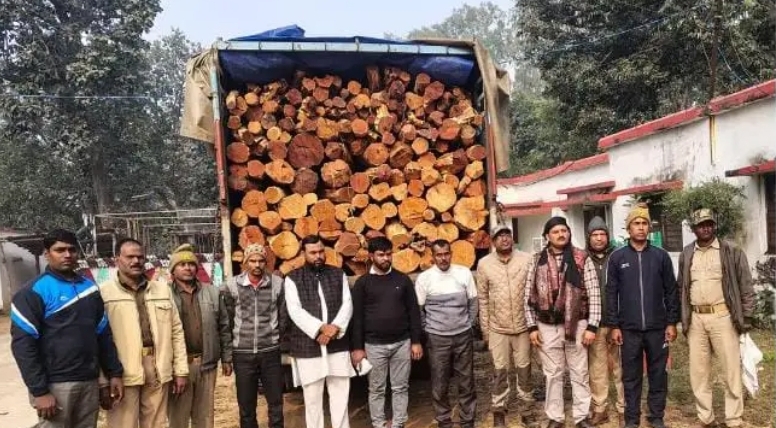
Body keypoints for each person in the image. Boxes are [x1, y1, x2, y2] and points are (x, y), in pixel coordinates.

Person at [11, 229, 123, 428]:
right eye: (60, 250)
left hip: (89, 381)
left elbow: (103, 335)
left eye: (72, 250)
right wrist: (40, 391)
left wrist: (113, 373)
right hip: (55, 385)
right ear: (47, 254)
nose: (67, 255)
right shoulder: (33, 292)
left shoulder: (89, 288)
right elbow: (23, 346)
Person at [99, 238, 189, 428]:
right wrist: (104, 379)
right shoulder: (104, 293)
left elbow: (176, 331)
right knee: (123, 424)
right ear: (117, 259)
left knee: (156, 424)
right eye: (130, 257)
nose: (136, 261)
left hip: (158, 367)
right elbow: (97, 339)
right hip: (122, 371)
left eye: (140, 257)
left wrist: (180, 370)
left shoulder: (161, 290)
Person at [678, 209, 755, 428]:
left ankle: (733, 418)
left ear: (714, 226)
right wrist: (682, 318)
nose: (706, 228)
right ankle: (706, 417)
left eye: (709, 224)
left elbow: (746, 285)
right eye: (701, 225)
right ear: (694, 229)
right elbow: (681, 287)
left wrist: (746, 316)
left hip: (723, 316)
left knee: (731, 370)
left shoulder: (731, 250)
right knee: (699, 372)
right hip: (696, 319)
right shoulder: (686, 253)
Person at [606, 203, 680, 428]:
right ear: (628, 228)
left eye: (644, 223)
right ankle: (632, 419)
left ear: (649, 228)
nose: (640, 227)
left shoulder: (661, 256)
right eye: (636, 223)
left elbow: (671, 290)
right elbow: (611, 293)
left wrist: (671, 322)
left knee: (658, 374)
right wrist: (614, 325)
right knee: (631, 377)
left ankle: (656, 417)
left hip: (657, 328)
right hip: (629, 329)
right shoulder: (617, 258)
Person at [524, 216, 600, 428]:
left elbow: (594, 293)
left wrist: (592, 326)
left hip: (578, 325)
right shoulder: (536, 260)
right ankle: (555, 417)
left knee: (579, 372)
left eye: (564, 230)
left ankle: (581, 416)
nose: (561, 234)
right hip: (546, 326)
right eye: (556, 231)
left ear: (569, 233)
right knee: (552, 373)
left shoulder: (582, 258)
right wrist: (532, 326)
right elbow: (528, 295)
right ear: (547, 236)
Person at [350, 236, 423, 428]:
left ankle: (398, 423)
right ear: (371, 256)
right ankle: (379, 424)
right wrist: (357, 348)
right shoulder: (363, 283)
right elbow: (356, 318)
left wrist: (416, 341)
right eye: (381, 255)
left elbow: (413, 312)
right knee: (376, 388)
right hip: (374, 345)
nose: (386, 258)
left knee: (401, 387)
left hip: (402, 343)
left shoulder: (403, 280)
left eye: (389, 254)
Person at [284, 235, 354, 428]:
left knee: (340, 396)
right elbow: (295, 311)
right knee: (312, 400)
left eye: (321, 251)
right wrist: (321, 328)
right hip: (308, 346)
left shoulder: (337, 274)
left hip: (337, 344)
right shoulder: (293, 278)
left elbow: (347, 304)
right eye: (313, 252)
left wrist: (334, 328)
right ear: (303, 254)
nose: (318, 256)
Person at [166, 244, 233, 428]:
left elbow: (224, 327)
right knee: (178, 419)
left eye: (191, 264)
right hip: (178, 367)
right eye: (182, 264)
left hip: (207, 364)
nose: (188, 268)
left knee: (204, 418)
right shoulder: (164, 294)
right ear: (173, 269)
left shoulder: (212, 292)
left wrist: (227, 358)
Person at [475, 224, 534, 428]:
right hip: (497, 328)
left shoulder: (527, 259)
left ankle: (526, 411)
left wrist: (534, 325)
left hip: (523, 326)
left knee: (525, 370)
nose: (504, 239)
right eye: (499, 236)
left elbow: (534, 291)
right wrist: (485, 330)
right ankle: (499, 411)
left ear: (512, 238)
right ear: (493, 241)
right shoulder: (484, 264)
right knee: (499, 372)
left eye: (507, 234)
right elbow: (483, 298)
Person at [415, 239, 478, 428]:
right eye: (439, 255)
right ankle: (444, 420)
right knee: (440, 381)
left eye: (446, 254)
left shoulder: (463, 273)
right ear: (432, 256)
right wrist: (429, 329)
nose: (443, 258)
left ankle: (467, 420)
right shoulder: (425, 278)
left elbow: (473, 302)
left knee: (466, 380)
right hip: (437, 338)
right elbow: (419, 310)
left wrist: (468, 324)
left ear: (451, 254)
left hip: (463, 335)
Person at [221, 243, 285, 428]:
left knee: (276, 404)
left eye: (261, 260)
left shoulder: (277, 284)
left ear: (266, 262)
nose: (257, 265)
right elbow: (227, 321)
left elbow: (283, 316)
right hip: (243, 354)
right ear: (245, 262)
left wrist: (277, 340)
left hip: (270, 352)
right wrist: (228, 355)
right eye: (252, 261)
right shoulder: (232, 285)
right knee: (246, 406)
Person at [585, 217, 625, 425]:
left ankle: (624, 408)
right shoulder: (583, 259)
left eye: (602, 234)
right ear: (589, 237)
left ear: (608, 237)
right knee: (597, 368)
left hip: (619, 322)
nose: (599, 238)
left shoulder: (618, 257)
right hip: (595, 323)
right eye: (595, 235)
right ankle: (600, 408)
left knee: (621, 367)